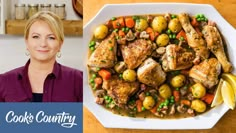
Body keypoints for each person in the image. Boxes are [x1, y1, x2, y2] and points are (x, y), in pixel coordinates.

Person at [0, 11, 83, 102]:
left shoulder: (79, 79)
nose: (43, 44)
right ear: (27, 41)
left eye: (51, 37)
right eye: (36, 37)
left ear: (60, 44)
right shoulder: (4, 81)